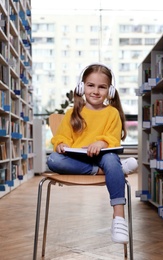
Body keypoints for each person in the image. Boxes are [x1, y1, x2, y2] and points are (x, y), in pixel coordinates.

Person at [47, 63, 138, 244]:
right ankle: (114, 171)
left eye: (102, 87)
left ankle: (118, 217)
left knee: (111, 160)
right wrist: (61, 144)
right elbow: (62, 136)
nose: (95, 91)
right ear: (82, 87)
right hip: (77, 159)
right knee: (53, 159)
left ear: (109, 91)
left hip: (103, 155)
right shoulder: (73, 112)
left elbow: (113, 138)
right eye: (90, 85)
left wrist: (101, 142)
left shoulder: (112, 113)